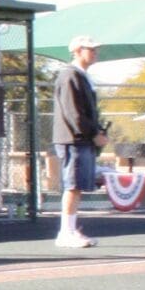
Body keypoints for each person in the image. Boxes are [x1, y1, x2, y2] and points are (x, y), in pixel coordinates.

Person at [53, 34, 108, 248]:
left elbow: (86, 111)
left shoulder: (82, 76)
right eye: (89, 48)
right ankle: (65, 233)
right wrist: (92, 133)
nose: (94, 52)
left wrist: (98, 131)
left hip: (81, 140)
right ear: (77, 51)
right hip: (73, 140)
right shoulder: (69, 76)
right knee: (72, 186)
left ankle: (71, 230)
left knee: (77, 187)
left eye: (95, 49)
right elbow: (73, 112)